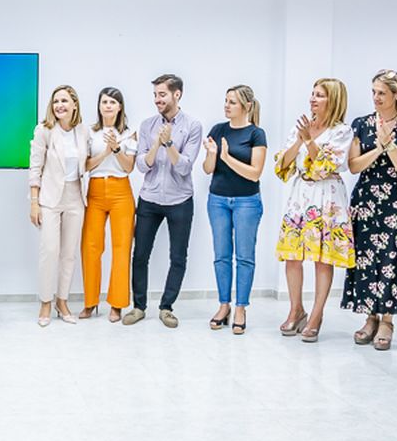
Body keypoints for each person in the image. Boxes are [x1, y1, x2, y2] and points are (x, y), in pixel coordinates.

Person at [342, 70, 397, 350]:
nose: (376, 97)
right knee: (366, 259)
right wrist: (378, 149)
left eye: (382, 93)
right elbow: (354, 165)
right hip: (366, 200)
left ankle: (387, 320)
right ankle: (370, 316)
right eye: (374, 92)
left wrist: (389, 145)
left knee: (393, 257)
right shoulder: (362, 124)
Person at [274, 78, 355, 342]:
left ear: (334, 100)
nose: (313, 99)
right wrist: (299, 141)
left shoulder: (342, 132)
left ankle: (316, 316)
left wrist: (309, 141)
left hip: (328, 197)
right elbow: (282, 165)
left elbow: (325, 166)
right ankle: (296, 309)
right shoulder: (301, 126)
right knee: (292, 256)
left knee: (323, 259)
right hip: (301, 196)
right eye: (312, 94)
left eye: (319, 95)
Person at [122, 74, 202, 329]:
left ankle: (167, 307)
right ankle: (139, 307)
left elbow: (184, 167)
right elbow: (142, 166)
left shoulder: (193, 126)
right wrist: (157, 143)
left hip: (180, 200)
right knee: (140, 255)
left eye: (162, 94)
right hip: (150, 199)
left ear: (177, 94)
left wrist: (169, 144)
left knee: (178, 257)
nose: (157, 99)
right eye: (155, 95)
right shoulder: (147, 125)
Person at [202, 85, 266, 334]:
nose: (227, 106)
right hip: (218, 200)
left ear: (246, 106)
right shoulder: (218, 130)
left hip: (247, 201)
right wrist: (212, 154)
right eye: (226, 101)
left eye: (233, 102)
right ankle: (224, 305)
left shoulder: (256, 134)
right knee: (221, 255)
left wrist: (227, 158)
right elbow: (208, 169)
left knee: (244, 257)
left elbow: (255, 173)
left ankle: (241, 307)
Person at [30, 85, 86, 326]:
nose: (59, 105)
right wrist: (34, 202)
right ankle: (45, 302)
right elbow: (35, 167)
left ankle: (62, 301)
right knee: (49, 251)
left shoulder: (82, 131)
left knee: (69, 254)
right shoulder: (44, 130)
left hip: (75, 197)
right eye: (55, 101)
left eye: (64, 101)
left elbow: (87, 163)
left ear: (74, 104)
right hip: (50, 198)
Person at [80, 87, 136, 323]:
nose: (108, 106)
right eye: (104, 102)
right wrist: (104, 153)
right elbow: (85, 165)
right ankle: (90, 302)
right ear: (99, 106)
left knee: (122, 248)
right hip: (95, 191)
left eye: (113, 102)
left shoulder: (129, 134)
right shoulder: (90, 133)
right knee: (90, 247)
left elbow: (129, 167)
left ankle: (117, 304)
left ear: (119, 107)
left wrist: (116, 149)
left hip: (121, 191)